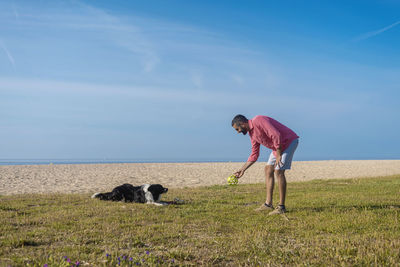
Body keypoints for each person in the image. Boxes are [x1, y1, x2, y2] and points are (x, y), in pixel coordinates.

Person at [232, 114, 299, 215]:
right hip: (278, 147)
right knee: (268, 170)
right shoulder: (252, 134)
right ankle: (268, 204)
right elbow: (254, 154)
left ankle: (281, 207)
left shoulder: (259, 120)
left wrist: (279, 154)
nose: (238, 132)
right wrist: (243, 170)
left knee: (278, 171)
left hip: (288, 142)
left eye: (237, 129)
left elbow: (276, 135)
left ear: (242, 124)